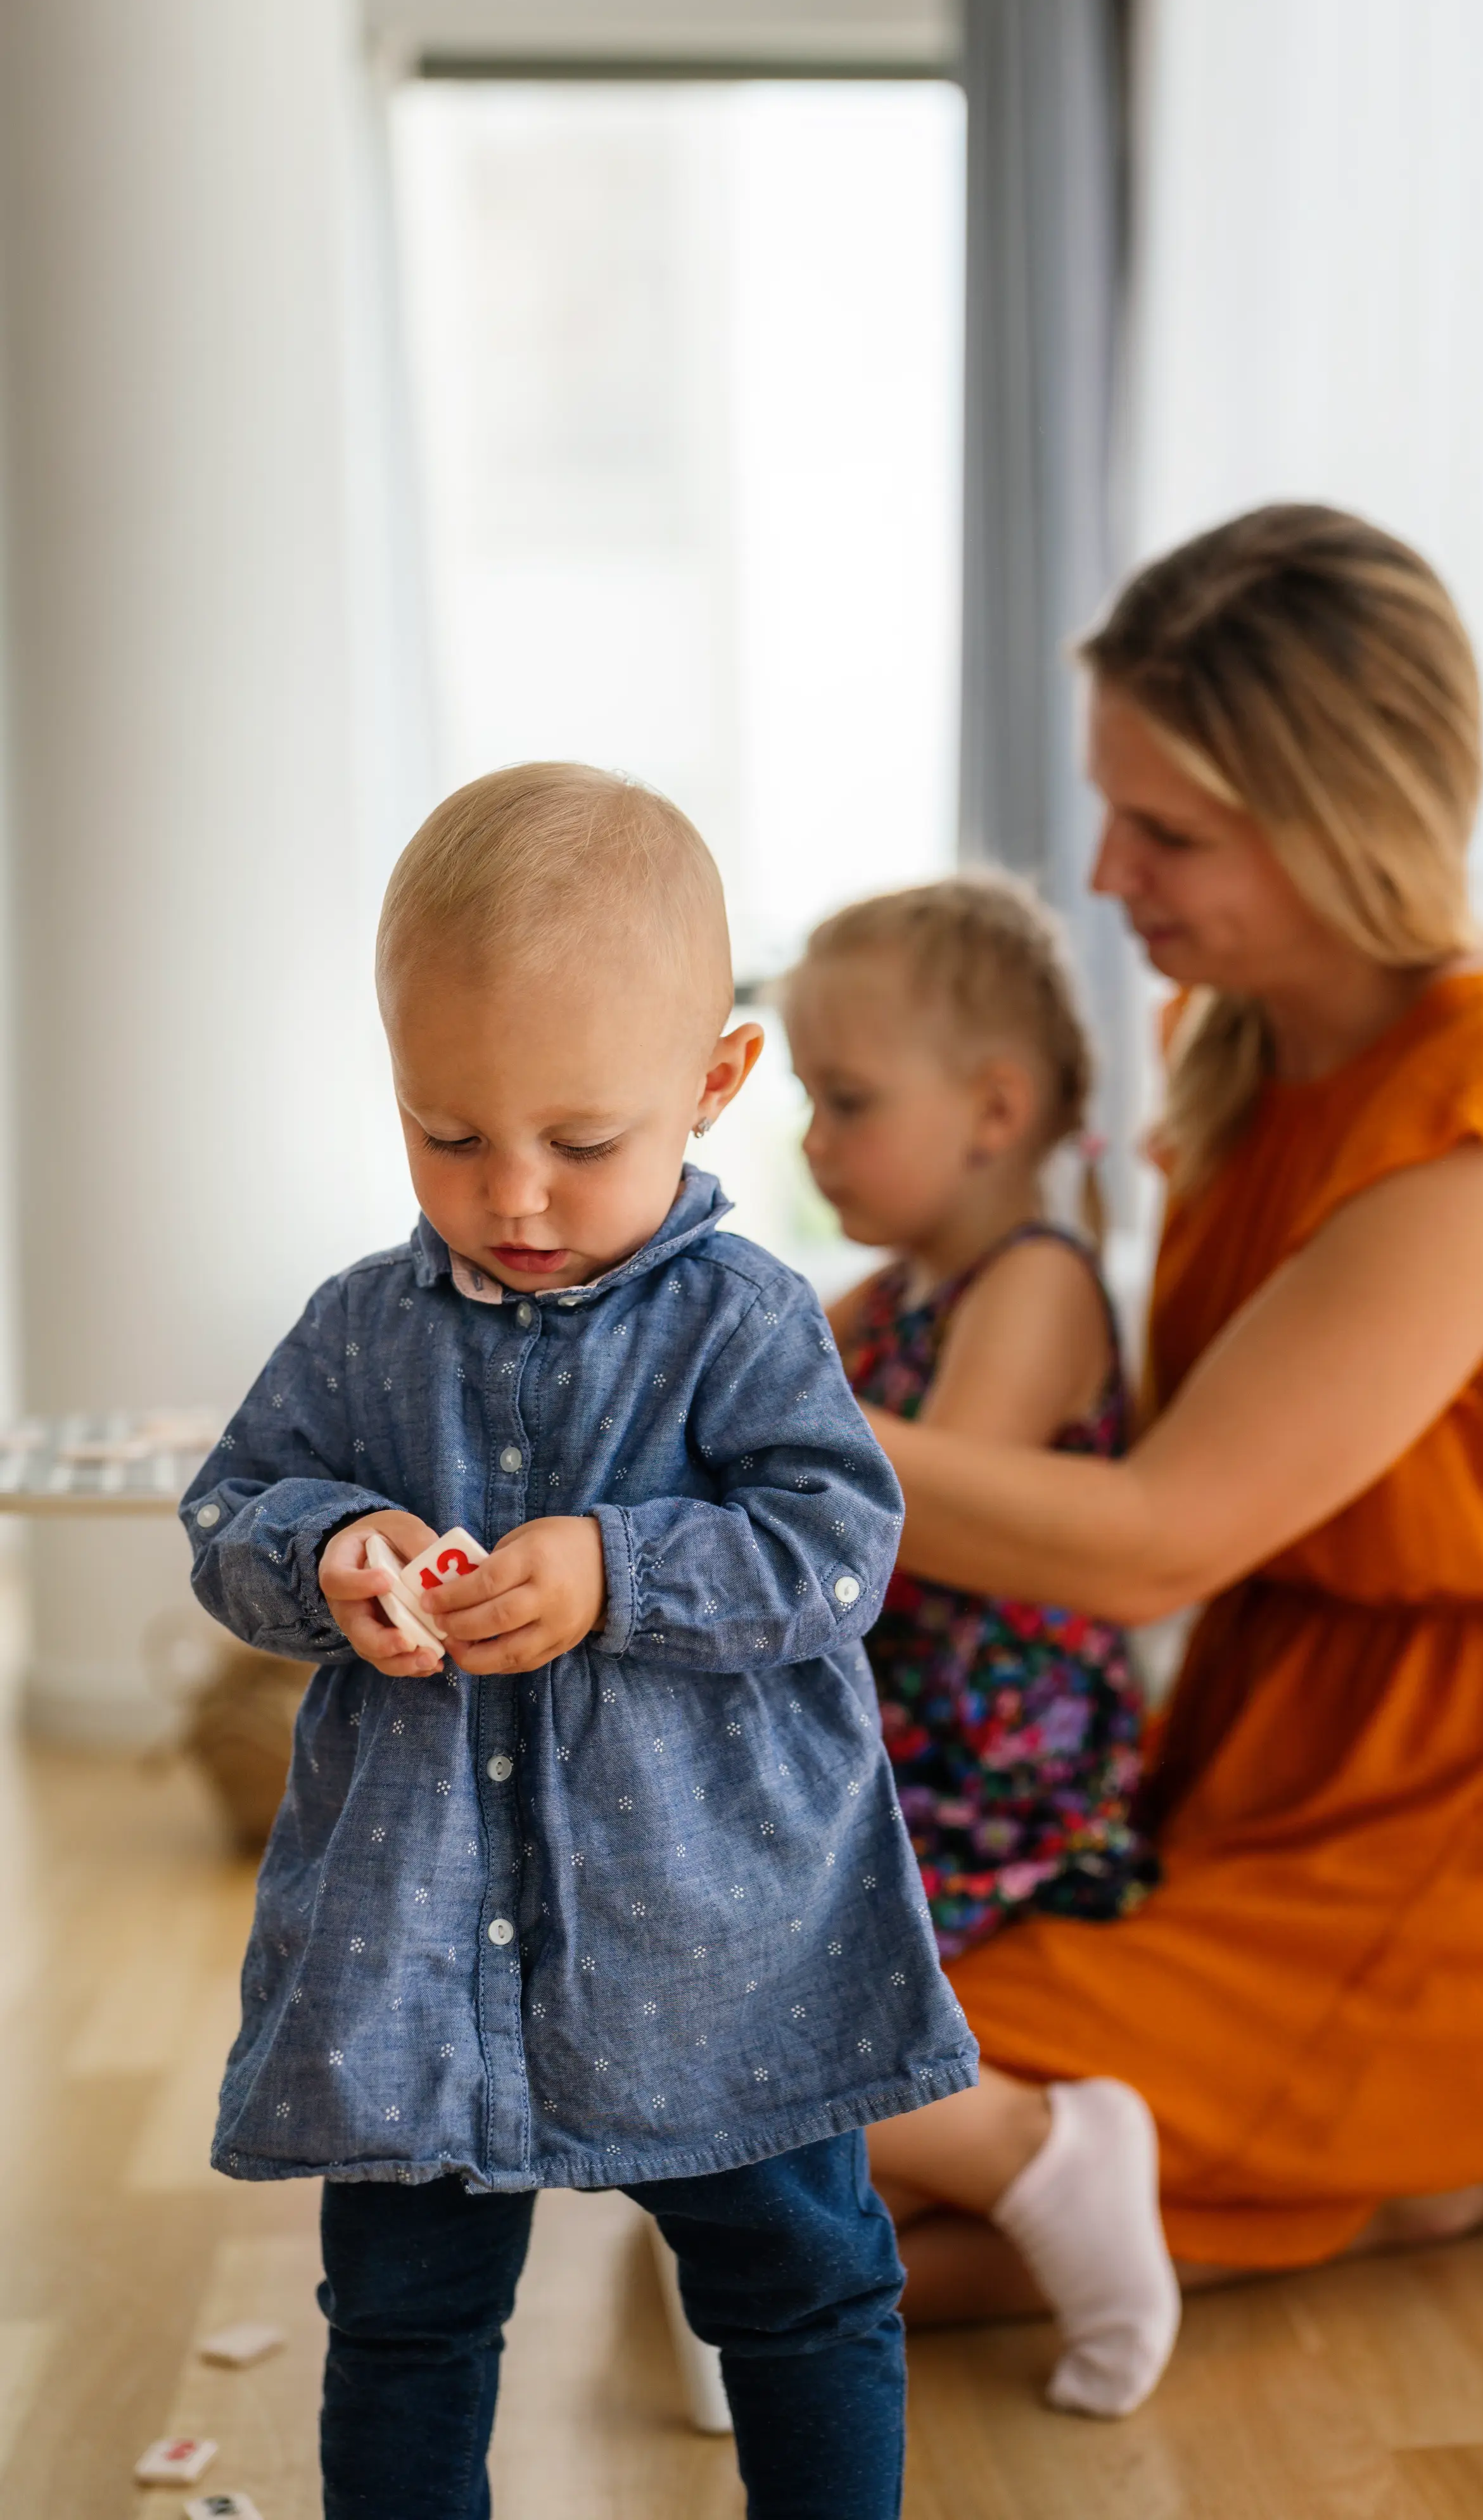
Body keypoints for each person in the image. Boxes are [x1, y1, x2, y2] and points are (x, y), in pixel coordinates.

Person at [855, 504, 1483, 2417]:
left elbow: (1156, 1542)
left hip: (1468, 1831)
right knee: (775, 2124)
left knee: (806, 2081)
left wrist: (795, 1439)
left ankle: (1437, 2171)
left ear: (1335, 813)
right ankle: (1397, 2176)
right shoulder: (1234, 1035)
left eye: (1165, 831)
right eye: (1110, 809)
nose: (1101, 871)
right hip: (1263, 1758)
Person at [180, 763, 978, 2520]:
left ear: (713, 1085)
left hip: (719, 1943)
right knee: (400, 2320)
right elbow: (228, 1517)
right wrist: (329, 1554)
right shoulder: (355, 1333)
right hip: (413, 1947)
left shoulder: (746, 1322)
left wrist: (621, 1572)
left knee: (803, 2289)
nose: (513, 1194)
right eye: (447, 1134)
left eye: (579, 1140)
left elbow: (839, 1545)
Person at [783, 875, 1155, 1968]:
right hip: (899, 1741)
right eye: (809, 1103)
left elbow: (920, 1519)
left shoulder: (1035, 1282)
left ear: (995, 1111)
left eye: (847, 1103)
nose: (812, 1142)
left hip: (998, 1776)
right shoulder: (901, 1288)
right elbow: (762, 1361)